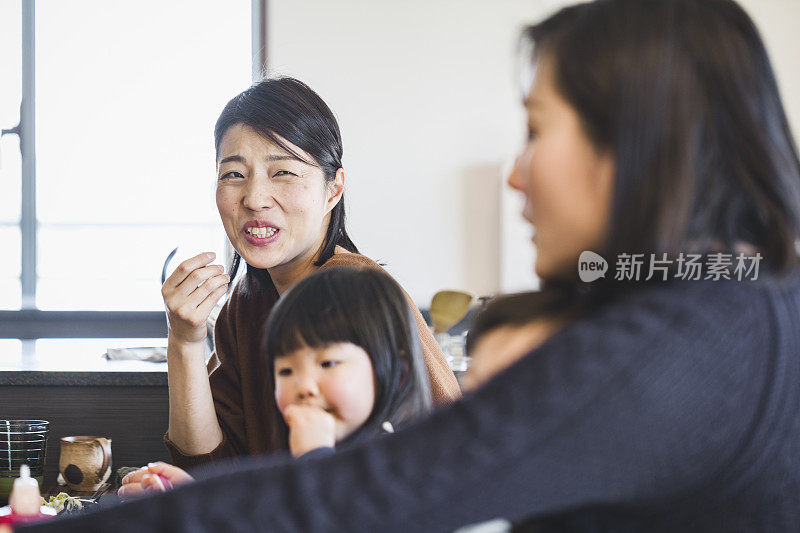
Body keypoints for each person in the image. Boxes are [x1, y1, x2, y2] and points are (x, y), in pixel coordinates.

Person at [20, 0, 800, 531]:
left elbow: (378, 488)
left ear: (638, 145)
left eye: (536, 130)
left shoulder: (683, 344)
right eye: (232, 171)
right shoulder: (735, 304)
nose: (515, 174)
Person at [161, 77, 460, 468]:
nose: (253, 198)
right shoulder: (247, 303)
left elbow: (445, 455)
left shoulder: (357, 292)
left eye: (282, 172)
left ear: (332, 190)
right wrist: (184, 340)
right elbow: (214, 469)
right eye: (233, 174)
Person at [118, 268, 432, 498]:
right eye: (286, 371)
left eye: (328, 363)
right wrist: (193, 497)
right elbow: (260, 516)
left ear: (397, 371)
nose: (304, 386)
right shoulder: (295, 455)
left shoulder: (396, 464)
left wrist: (313, 460)